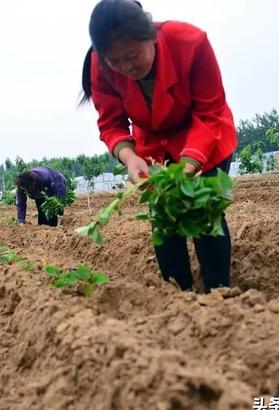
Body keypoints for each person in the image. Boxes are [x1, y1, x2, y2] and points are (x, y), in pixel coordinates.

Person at [80, 0, 238, 293]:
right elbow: (111, 123)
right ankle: (178, 296)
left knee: (204, 215)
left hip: (205, 137)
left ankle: (219, 296)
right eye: (115, 61)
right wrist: (129, 157)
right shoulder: (99, 66)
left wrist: (189, 164)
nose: (126, 67)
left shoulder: (190, 43)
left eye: (133, 55)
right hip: (152, 147)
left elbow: (210, 112)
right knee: (164, 221)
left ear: (151, 35)